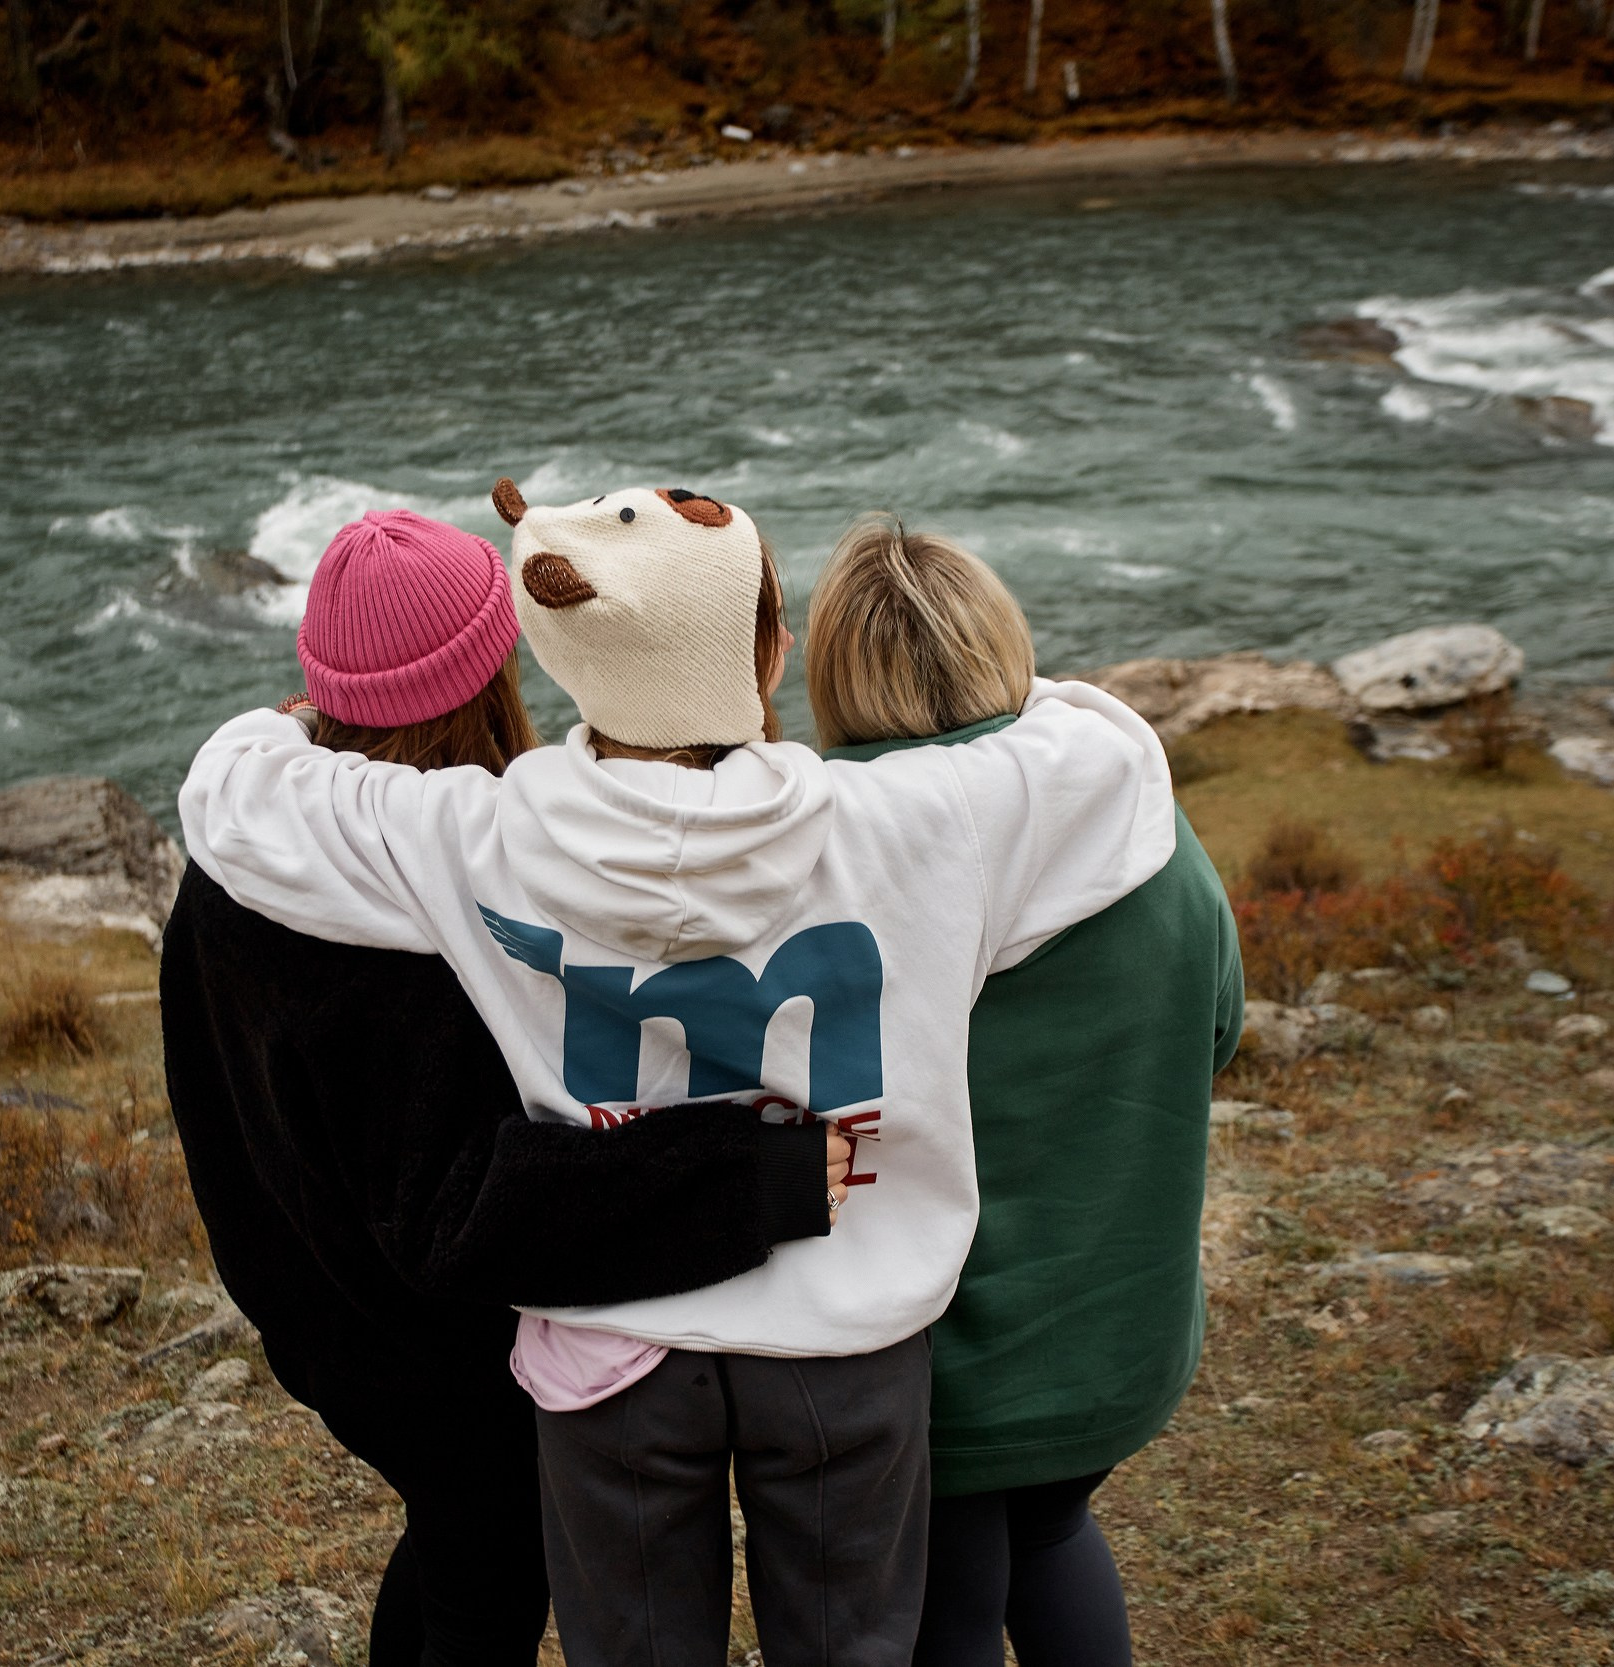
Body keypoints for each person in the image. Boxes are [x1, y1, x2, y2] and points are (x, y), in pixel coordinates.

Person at [179, 480, 1178, 1667]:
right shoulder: (911, 815)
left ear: (554, 647)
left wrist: (281, 722)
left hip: (611, 1355)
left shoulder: (477, 835)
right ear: (772, 647)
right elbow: (1108, 755)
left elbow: (242, 797)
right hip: (845, 1344)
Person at [160, 508, 852, 1667]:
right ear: (491, 674)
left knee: (452, 1545)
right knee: (487, 1573)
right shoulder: (395, 937)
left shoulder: (242, 844)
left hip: (307, 1288)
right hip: (428, 1352)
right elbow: (468, 1206)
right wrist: (757, 1170)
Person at [803, 516, 1242, 1667]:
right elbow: (1219, 1026)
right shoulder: (1141, 814)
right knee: (1049, 1529)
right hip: (1121, 1330)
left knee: (945, 1594)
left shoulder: (830, 854)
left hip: (938, 1354)